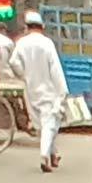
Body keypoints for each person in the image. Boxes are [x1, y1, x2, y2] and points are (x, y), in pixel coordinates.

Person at [11, 10, 67, 171]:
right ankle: (44, 156)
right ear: (41, 27)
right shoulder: (46, 43)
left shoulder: (21, 43)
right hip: (49, 88)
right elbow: (55, 68)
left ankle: (54, 154)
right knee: (50, 124)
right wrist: (61, 90)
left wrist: (24, 75)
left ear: (27, 27)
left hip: (31, 89)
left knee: (44, 126)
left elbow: (13, 62)